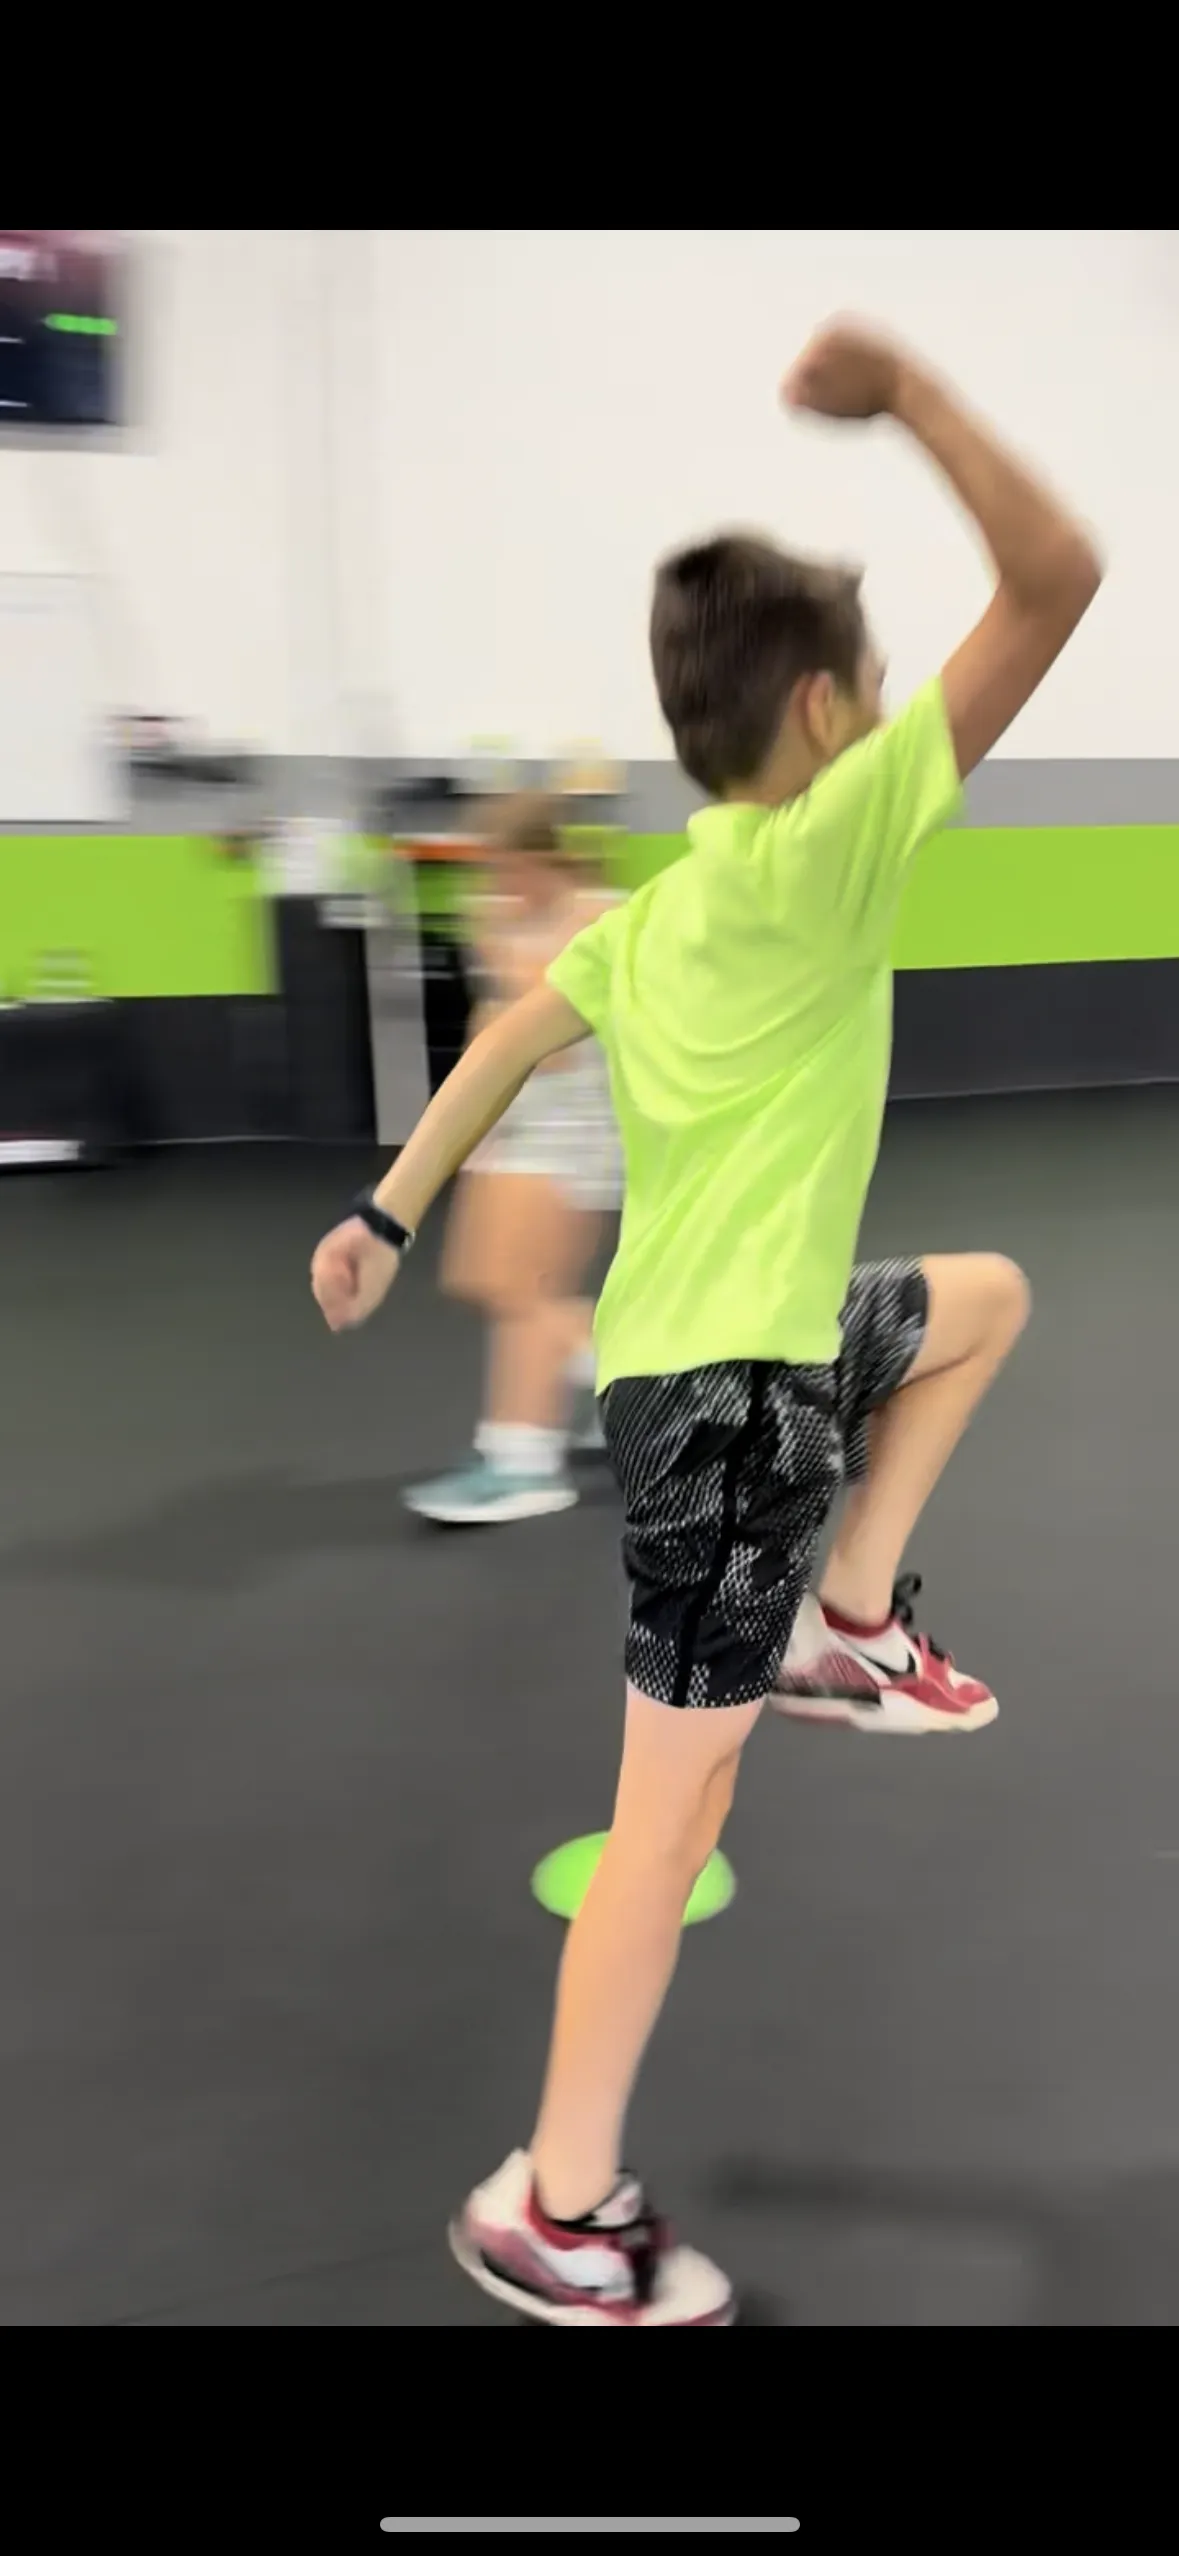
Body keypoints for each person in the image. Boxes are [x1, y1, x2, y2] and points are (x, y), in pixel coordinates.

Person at [310, 320, 1101, 2326]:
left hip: (756, 1355)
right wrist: (906, 395)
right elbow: (1055, 579)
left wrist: (384, 1211)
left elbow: (497, 1041)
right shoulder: (838, 841)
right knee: (662, 1832)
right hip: (726, 1415)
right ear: (826, 712)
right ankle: (554, 2203)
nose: (885, 713)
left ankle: (851, 1617)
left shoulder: (651, 912)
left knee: (974, 1302)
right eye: (870, 686)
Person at [403, 794, 622, 1524]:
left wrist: (505, 965)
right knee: (484, 1279)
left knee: (522, 1292)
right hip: (518, 1124)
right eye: (487, 869)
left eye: (505, 866)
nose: (496, 883)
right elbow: (490, 1029)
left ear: (541, 857)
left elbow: (550, 1043)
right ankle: (632, 1381)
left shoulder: (598, 918)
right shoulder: (499, 917)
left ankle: (523, 1464)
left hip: (577, 1128)